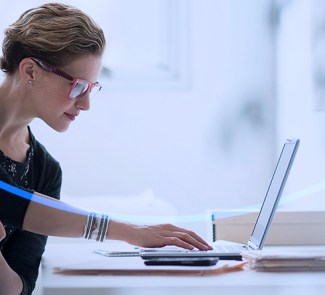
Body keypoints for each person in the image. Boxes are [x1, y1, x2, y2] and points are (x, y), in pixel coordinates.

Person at [0, 3, 211, 295]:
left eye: (91, 88)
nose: (86, 104)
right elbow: (10, 201)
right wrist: (130, 232)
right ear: (30, 70)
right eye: (77, 86)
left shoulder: (45, 171)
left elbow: (18, 289)